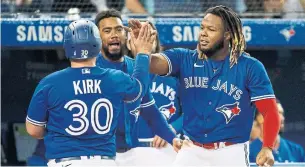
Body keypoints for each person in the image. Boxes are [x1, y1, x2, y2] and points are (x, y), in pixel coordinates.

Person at [129, 5, 281, 167]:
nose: (203, 33)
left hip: (231, 152)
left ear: (227, 35)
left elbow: (270, 111)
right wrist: (142, 50)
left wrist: (267, 147)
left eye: (211, 29)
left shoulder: (250, 67)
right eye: (202, 27)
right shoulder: (185, 58)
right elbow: (153, 64)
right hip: (192, 149)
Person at [25, 19, 155, 167]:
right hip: (104, 162)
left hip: (66, 162)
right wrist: (143, 53)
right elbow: (139, 89)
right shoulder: (115, 78)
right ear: (98, 45)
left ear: (67, 47)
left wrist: (57, 130)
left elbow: (33, 130)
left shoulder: (49, 82)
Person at [94, 9, 177, 166]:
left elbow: (149, 109)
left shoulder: (135, 67)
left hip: (130, 152)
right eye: (107, 30)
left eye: (119, 29)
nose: (114, 34)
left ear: (126, 35)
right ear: (97, 37)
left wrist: (173, 139)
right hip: (98, 154)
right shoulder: (90, 69)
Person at [126, 21, 183, 165]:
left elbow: (194, 110)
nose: (143, 41)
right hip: (132, 150)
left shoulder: (174, 74)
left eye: (148, 36)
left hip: (169, 148)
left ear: (156, 41)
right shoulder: (122, 75)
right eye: (139, 36)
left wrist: (172, 128)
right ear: (128, 44)